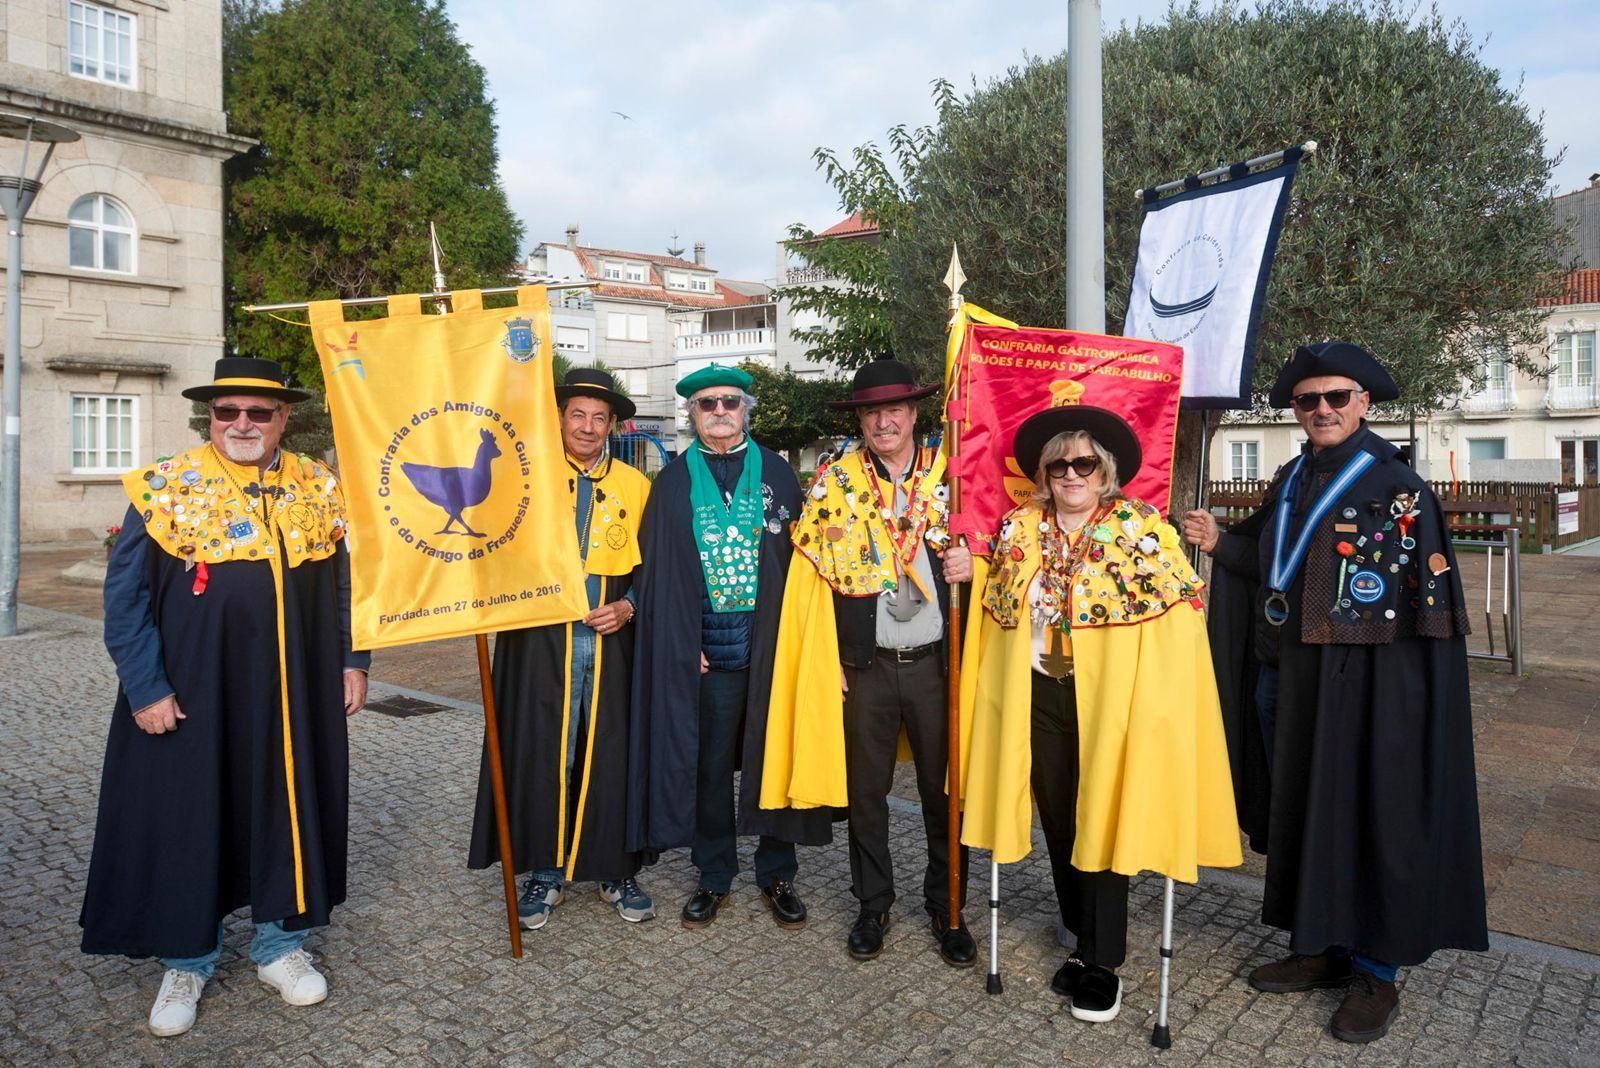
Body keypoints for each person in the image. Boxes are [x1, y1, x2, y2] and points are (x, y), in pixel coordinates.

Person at [1183, 341, 1487, 1044]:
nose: (1321, 409)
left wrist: (1400, 704)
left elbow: (1423, 611)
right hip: (1282, 677)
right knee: (1303, 811)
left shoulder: (1398, 490)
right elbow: (1266, 556)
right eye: (1307, 400)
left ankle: (1375, 973)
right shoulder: (1291, 477)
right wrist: (1217, 539)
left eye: (1336, 398)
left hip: (1363, 692)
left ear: (1364, 404)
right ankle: (1320, 945)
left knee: (1364, 809)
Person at [80, 357, 369, 1037]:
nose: (242, 424)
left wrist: (353, 660)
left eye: (258, 413)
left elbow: (348, 587)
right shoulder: (166, 488)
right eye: (227, 412)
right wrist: (145, 686)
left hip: (293, 690)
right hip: (190, 694)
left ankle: (279, 947)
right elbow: (125, 601)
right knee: (189, 816)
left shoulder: (317, 487)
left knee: (286, 808)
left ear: (282, 420)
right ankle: (187, 957)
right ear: (209, 417)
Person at [963, 404, 1241, 1024]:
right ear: (1044, 471)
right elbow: (998, 601)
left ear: (1104, 470)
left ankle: (1103, 961)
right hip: (1040, 694)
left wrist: (1162, 700)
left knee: (1104, 817)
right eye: (1058, 463)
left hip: (1111, 701)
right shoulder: (1020, 527)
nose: (1070, 473)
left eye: (1083, 462)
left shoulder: (1137, 527)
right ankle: (1077, 925)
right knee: (1059, 819)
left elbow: (1177, 614)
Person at [762, 358, 975, 965]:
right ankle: (872, 904)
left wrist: (973, 565)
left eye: (895, 410)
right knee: (867, 793)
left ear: (915, 414)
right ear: (860, 419)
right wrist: (824, 658)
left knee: (945, 790)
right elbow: (810, 581)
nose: (884, 421)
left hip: (941, 665)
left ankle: (948, 905)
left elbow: (1000, 551)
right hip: (866, 664)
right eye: (872, 412)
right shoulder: (835, 481)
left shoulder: (953, 475)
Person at [626, 363, 831, 929]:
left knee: (772, 756)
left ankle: (776, 871)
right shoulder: (669, 484)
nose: (720, 413)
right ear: (691, 415)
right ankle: (714, 874)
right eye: (707, 405)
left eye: (730, 404)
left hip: (771, 645)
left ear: (747, 410)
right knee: (710, 765)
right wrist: (677, 638)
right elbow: (657, 571)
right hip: (706, 652)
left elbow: (806, 563)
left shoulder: (780, 475)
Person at [467, 368, 654, 928]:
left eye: (600, 418)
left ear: (614, 425)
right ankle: (545, 871)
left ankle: (614, 868)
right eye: (578, 414)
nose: (589, 427)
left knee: (612, 751)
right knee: (544, 748)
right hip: (539, 643)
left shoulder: (640, 486)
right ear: (559, 418)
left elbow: (664, 568)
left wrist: (630, 606)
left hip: (612, 642)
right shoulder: (525, 481)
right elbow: (487, 551)